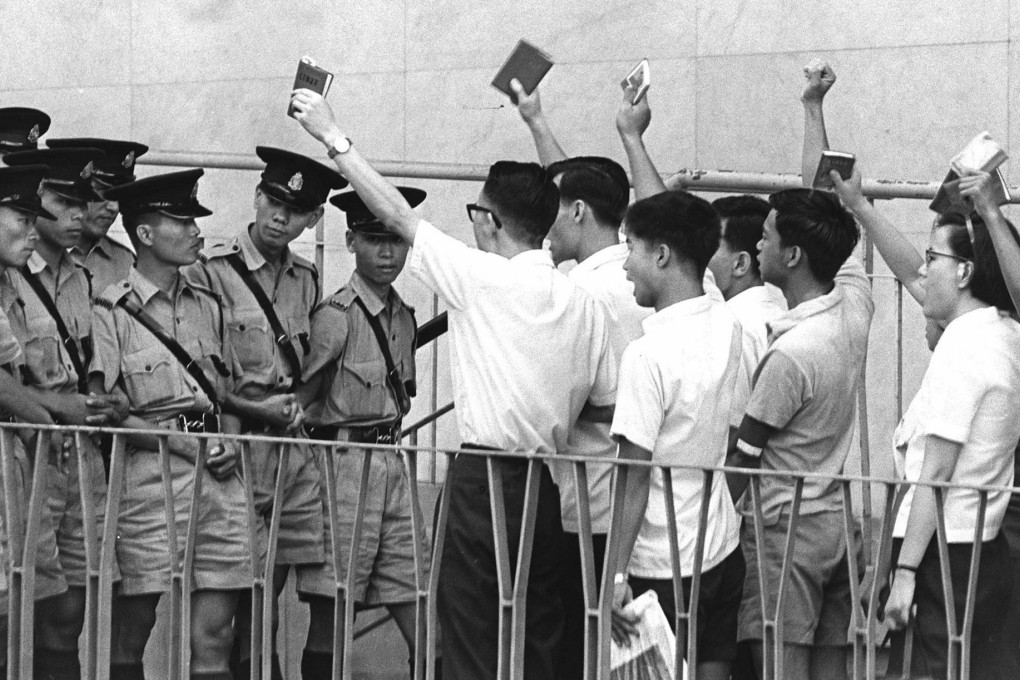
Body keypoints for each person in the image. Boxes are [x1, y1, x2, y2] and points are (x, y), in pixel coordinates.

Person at [290, 87, 617, 680]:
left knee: (469, 634)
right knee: (538, 631)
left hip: (486, 478)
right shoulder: (583, 300)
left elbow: (396, 215)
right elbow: (604, 406)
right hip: (549, 480)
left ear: (488, 221)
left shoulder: (482, 278)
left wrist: (333, 136)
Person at [807, 58, 1020, 678]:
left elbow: (938, 471)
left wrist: (901, 572)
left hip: (942, 549)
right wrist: (860, 207)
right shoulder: (998, 331)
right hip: (972, 544)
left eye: (934, 257)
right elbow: (913, 272)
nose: (921, 269)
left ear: (963, 271)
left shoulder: (966, 343)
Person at [90, 169, 258, 680]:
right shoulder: (111, 308)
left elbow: (223, 394)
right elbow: (107, 412)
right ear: (144, 233)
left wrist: (227, 435)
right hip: (150, 479)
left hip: (219, 480)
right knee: (133, 627)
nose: (195, 232)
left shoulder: (208, 304)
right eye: (181, 221)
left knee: (216, 634)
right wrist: (183, 446)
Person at [185, 146, 345, 680]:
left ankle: (262, 667)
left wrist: (295, 406)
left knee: (270, 585)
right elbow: (205, 371)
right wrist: (260, 409)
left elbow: (308, 367)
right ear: (256, 197)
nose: (281, 217)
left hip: (288, 452)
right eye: (274, 201)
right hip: (236, 443)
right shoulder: (215, 270)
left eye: (296, 210)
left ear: (314, 218)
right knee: (230, 586)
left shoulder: (305, 277)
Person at [511, 81, 650, 679]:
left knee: (577, 650)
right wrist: (537, 121)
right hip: (640, 502)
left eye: (555, 208)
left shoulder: (582, 294)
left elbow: (557, 403)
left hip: (588, 503)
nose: (543, 221)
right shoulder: (649, 269)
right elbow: (576, 187)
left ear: (576, 213)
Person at [725, 184, 873, 680]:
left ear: (793, 254)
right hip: (835, 524)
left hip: (784, 535)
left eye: (766, 237)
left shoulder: (791, 355)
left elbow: (743, 457)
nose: (758, 245)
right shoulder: (853, 305)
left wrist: (713, 532)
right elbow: (821, 193)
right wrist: (813, 108)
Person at [295, 186, 431, 680]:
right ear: (351, 241)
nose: (389, 252)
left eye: (396, 239)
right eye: (375, 240)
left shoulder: (404, 317)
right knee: (333, 615)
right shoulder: (335, 316)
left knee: (419, 604)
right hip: (344, 473)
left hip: (391, 465)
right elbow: (303, 401)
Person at [609, 190, 745, 680]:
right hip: (719, 542)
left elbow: (632, 476)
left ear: (662, 255)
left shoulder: (648, 355)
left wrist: (615, 576)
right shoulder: (727, 322)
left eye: (632, 248)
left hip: (661, 559)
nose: (625, 264)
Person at [2, 146, 126, 680]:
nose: (73, 216)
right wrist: (56, 413)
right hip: (27, 451)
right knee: (14, 605)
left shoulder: (86, 273)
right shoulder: (13, 277)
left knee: (68, 603)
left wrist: (104, 403)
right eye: (29, 214)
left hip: (73, 454)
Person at [47, 138, 148, 299]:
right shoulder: (33, 255)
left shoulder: (125, 262)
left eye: (119, 196)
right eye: (104, 192)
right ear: (76, 190)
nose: (114, 207)